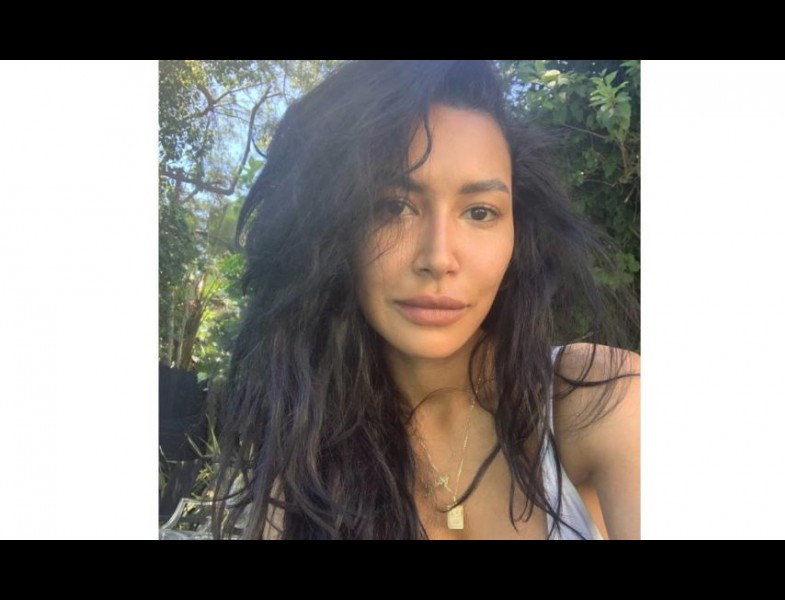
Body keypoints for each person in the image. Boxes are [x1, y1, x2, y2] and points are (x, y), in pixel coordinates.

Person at [210, 60, 640, 540]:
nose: (438, 258)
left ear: (519, 235)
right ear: (331, 235)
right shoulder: (300, 470)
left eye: (480, 212)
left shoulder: (601, 399)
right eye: (393, 206)